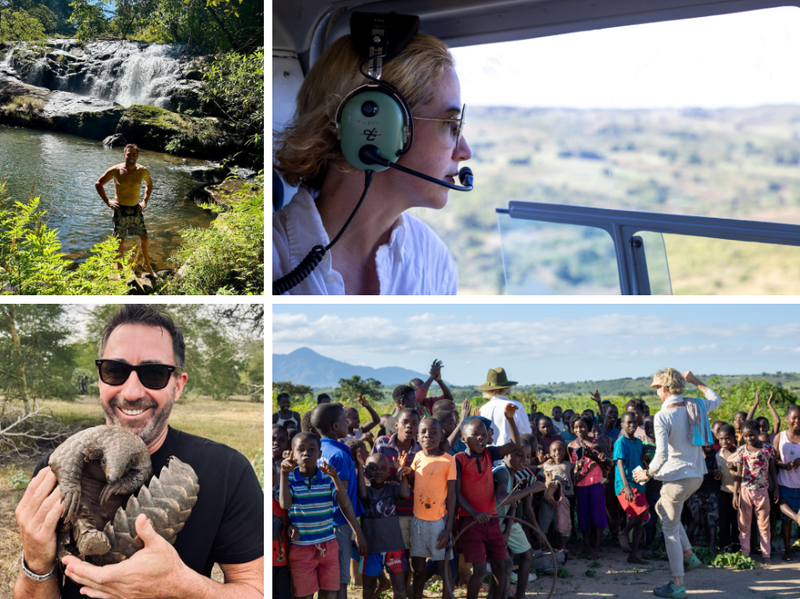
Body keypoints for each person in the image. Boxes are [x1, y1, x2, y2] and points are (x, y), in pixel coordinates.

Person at [13, 305, 263, 599]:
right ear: (99, 378)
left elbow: (257, 590)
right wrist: (36, 561)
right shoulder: (55, 469)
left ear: (178, 386)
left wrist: (182, 587)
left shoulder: (227, 470)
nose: (131, 391)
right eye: (114, 371)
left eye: (154, 373)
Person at [273, 32, 472, 295]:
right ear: (376, 126)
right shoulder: (270, 258)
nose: (465, 151)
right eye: (450, 125)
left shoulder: (435, 262)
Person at [633, 368, 722, 599]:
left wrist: (647, 473)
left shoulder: (663, 416)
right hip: (696, 476)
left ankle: (678, 584)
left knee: (670, 531)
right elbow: (716, 399)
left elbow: (661, 455)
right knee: (661, 508)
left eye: (658, 388)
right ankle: (689, 554)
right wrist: (696, 381)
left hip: (676, 478)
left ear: (666, 388)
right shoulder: (697, 406)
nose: (657, 393)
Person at [280, 433, 366, 599]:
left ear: (320, 454)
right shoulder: (289, 478)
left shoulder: (326, 477)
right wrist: (284, 474)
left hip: (328, 545)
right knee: (304, 595)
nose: (306, 453)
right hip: (302, 547)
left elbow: (345, 502)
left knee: (330, 594)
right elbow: (285, 505)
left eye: (312, 449)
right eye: (301, 450)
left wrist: (335, 476)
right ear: (293, 454)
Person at [455, 404, 522, 599]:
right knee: (480, 570)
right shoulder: (459, 460)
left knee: (501, 566)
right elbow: (456, 493)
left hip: (492, 520)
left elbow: (515, 445)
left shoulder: (489, 453)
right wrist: (475, 513)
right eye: (475, 435)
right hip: (471, 521)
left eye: (484, 435)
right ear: (463, 439)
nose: (481, 438)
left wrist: (510, 419)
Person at [311, 403, 368, 599]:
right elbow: (341, 498)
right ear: (335, 426)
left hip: (321, 524)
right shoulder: (340, 455)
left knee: (325, 582)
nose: (347, 423)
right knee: (340, 582)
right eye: (344, 419)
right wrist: (357, 530)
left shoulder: (317, 451)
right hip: (340, 525)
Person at [409, 418, 457, 599]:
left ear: (442, 436)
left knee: (443, 569)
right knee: (418, 568)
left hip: (438, 522)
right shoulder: (417, 457)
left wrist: (448, 528)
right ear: (418, 437)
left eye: (433, 432)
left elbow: (452, 496)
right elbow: (415, 486)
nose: (428, 435)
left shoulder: (448, 461)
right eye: (423, 432)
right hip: (418, 521)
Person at [492, 438, 545, 599]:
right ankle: (497, 595)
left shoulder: (514, 473)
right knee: (504, 564)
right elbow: (502, 499)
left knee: (527, 553)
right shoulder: (501, 472)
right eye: (519, 455)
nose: (524, 460)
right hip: (491, 521)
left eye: (528, 456)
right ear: (507, 454)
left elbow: (513, 504)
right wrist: (530, 489)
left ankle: (520, 595)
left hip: (504, 521)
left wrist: (508, 531)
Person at [95, 143, 157, 278]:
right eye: (129, 154)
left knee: (144, 237)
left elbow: (149, 185)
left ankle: (146, 263)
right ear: (124, 155)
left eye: (134, 154)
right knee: (120, 240)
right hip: (120, 209)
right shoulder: (116, 170)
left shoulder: (142, 171)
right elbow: (98, 183)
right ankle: (119, 266)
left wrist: (144, 201)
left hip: (136, 208)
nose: (131, 157)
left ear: (138, 156)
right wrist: (108, 202)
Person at [357, 453, 411, 599]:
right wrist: (361, 470)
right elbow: (362, 495)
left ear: (389, 472)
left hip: (394, 547)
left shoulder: (392, 487)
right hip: (371, 548)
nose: (378, 471)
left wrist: (401, 472)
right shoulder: (365, 491)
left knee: (399, 588)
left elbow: (405, 493)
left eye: (383, 468)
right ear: (366, 472)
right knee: (368, 588)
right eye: (373, 468)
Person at [733, 419, 779, 562]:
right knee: (744, 524)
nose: (748, 439)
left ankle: (766, 555)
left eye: (751, 435)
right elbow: (738, 473)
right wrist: (735, 494)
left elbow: (772, 470)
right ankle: (745, 553)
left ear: (758, 433)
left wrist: (776, 488)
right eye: (746, 436)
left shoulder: (767, 449)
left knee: (764, 525)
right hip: (745, 491)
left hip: (762, 492)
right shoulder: (741, 450)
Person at [569, 415, 609, 559]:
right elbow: (573, 466)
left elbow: (607, 463)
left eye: (582, 426)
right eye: (575, 427)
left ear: (588, 427)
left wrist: (602, 461)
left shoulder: (596, 444)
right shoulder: (571, 446)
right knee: (583, 515)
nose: (579, 429)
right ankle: (586, 546)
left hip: (596, 484)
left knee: (597, 515)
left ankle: (597, 548)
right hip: (580, 485)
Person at [614, 411, 650, 565]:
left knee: (640, 520)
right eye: (628, 422)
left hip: (639, 484)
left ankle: (633, 555)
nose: (632, 425)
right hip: (625, 484)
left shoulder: (638, 442)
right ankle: (623, 532)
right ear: (622, 424)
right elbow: (620, 464)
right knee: (644, 510)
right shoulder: (620, 442)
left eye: (634, 422)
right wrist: (626, 487)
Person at [478, 368, 531, 446]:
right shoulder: (516, 406)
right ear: (507, 387)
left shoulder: (483, 409)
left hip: (487, 455)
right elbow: (526, 435)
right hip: (512, 454)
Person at [538, 440, 574, 552]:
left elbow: (574, 479)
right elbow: (538, 477)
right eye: (554, 450)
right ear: (549, 453)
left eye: (560, 450)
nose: (557, 452)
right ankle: (545, 548)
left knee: (563, 524)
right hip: (548, 500)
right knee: (544, 523)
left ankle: (561, 549)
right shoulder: (547, 465)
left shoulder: (569, 465)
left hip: (563, 500)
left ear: (565, 452)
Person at [775, 404, 800, 561]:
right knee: (786, 521)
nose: (797, 421)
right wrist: (785, 465)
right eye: (794, 418)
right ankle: (787, 550)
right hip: (785, 484)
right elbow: (773, 460)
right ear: (787, 419)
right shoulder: (780, 437)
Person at [716, 423, 739, 552]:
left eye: (727, 438)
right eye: (721, 439)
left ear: (734, 438)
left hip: (738, 493)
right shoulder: (717, 456)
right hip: (724, 492)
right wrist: (717, 475)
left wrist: (735, 468)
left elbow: (745, 472)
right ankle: (724, 547)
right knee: (724, 521)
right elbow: (719, 475)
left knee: (737, 522)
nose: (724, 442)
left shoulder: (740, 452)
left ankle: (736, 548)